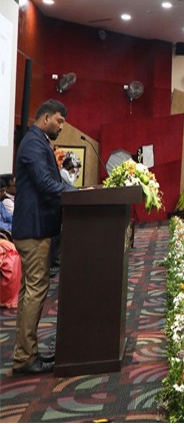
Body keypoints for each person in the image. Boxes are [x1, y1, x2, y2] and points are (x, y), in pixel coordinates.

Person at [13, 100, 78, 375]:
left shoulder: (38, 141)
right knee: (35, 292)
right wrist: (77, 194)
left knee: (31, 292)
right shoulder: (32, 143)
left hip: (37, 228)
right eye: (60, 121)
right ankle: (25, 357)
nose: (61, 126)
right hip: (33, 229)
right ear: (46, 118)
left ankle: (27, 352)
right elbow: (44, 183)